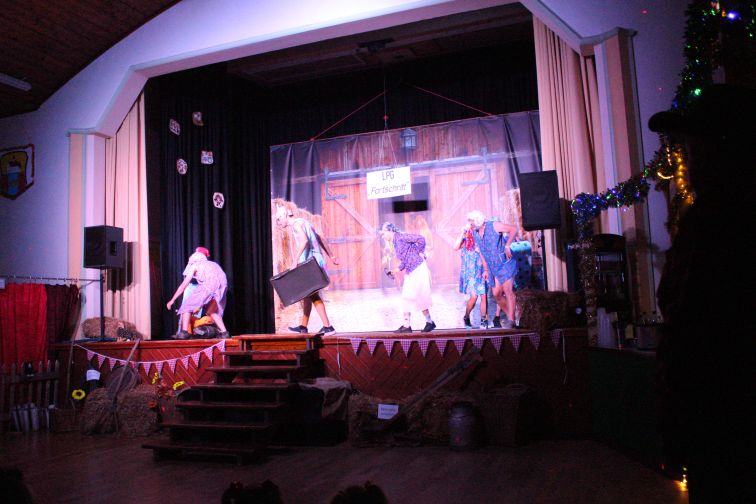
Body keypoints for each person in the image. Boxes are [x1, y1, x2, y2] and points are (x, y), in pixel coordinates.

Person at [650, 84, 755, 504]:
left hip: (726, 424)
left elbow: (695, 329)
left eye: (695, 149)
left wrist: (680, 420)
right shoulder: (705, 218)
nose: (688, 162)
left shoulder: (723, 224)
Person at [275, 206, 338, 334]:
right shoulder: (304, 222)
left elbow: (304, 241)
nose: (278, 222)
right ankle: (303, 327)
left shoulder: (296, 225)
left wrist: (295, 260)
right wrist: (331, 256)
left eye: (279, 219)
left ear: (284, 215)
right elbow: (319, 238)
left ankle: (328, 327)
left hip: (310, 264)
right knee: (308, 295)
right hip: (314, 261)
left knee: (313, 295)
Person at [379, 222, 435, 333]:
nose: (383, 237)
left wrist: (419, 252)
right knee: (406, 296)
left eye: (383, 234)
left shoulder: (401, 237)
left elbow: (421, 238)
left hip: (418, 268)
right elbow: (405, 260)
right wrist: (395, 270)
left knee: (420, 296)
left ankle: (429, 322)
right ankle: (407, 326)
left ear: (390, 230)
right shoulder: (395, 242)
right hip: (411, 270)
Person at [166, 248, 229, 339]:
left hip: (208, 286)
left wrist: (172, 300)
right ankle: (224, 333)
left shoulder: (195, 265)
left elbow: (184, 285)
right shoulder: (214, 264)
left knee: (186, 306)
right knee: (211, 311)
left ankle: (184, 332)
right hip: (222, 287)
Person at [470, 211, 518, 328]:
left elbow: (513, 229)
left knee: (508, 291)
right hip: (493, 269)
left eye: (471, 221)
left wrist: (507, 245)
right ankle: (515, 316)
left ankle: (511, 320)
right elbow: (482, 252)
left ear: (477, 221)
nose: (470, 224)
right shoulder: (475, 233)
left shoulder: (493, 225)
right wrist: (486, 270)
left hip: (504, 263)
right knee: (497, 295)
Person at [454, 211, 488, 329]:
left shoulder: (480, 234)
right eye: (469, 221)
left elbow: (485, 251)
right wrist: (462, 233)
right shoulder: (466, 236)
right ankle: (466, 316)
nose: (470, 223)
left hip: (481, 269)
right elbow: (455, 247)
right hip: (469, 272)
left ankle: (484, 320)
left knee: (483, 295)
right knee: (474, 296)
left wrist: (486, 269)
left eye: (471, 221)